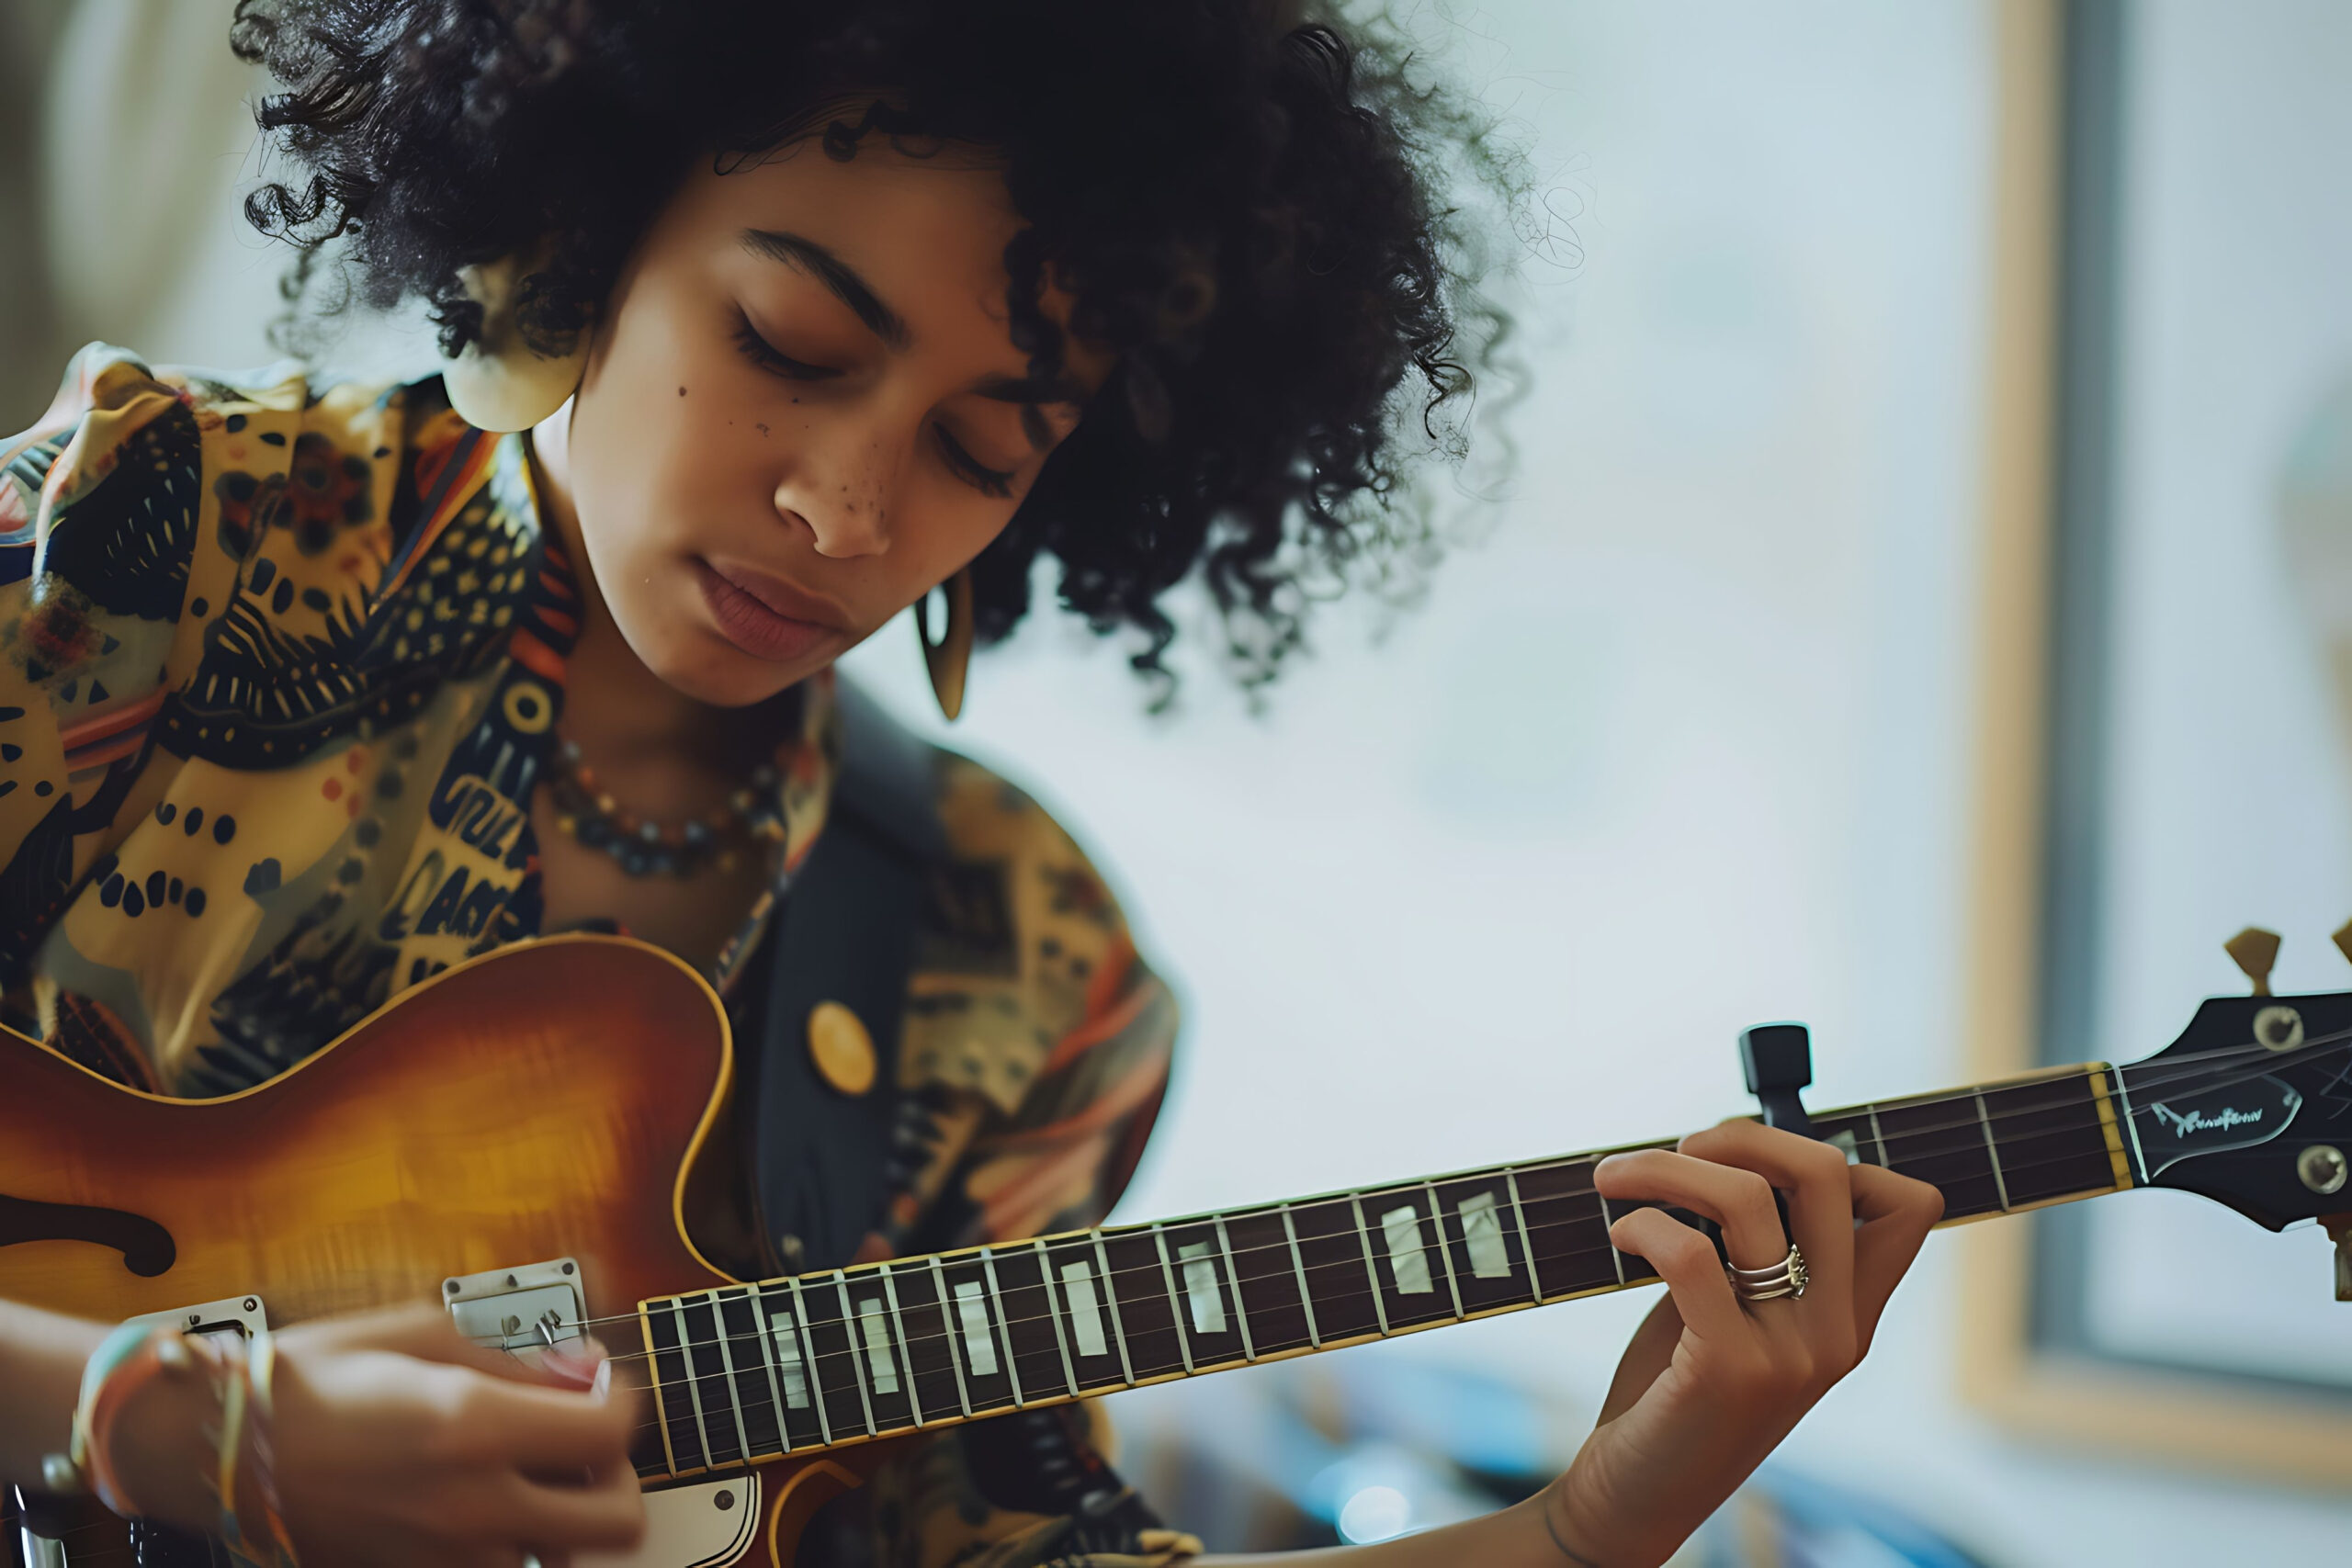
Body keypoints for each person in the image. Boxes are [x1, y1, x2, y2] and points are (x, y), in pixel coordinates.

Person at [0, 4, 1944, 1566]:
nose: (847, 510)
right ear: (577, 232)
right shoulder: (149, 555)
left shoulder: (1017, 957)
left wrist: (1598, 1516)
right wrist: (148, 1417)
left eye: (982, 449)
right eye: (786, 339)